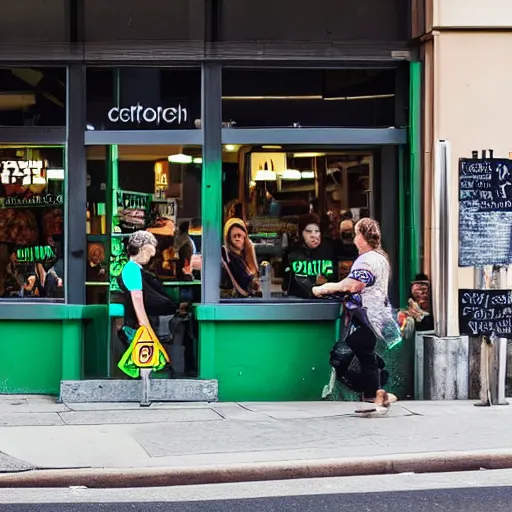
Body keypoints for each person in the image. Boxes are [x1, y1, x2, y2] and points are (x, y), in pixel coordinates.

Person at [312, 218, 399, 405]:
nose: (353, 239)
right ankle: (376, 390)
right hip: (377, 316)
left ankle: (373, 393)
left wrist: (324, 288)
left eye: (356, 234)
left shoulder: (367, 260)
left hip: (368, 316)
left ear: (362, 236)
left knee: (354, 353)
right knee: (364, 352)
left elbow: (353, 285)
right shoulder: (380, 257)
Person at [117, 230, 176, 344]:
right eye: (149, 254)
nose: (150, 258)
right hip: (137, 328)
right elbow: (137, 299)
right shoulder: (132, 270)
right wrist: (146, 329)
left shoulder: (133, 269)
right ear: (143, 250)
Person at [282, 213, 338, 298]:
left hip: (325, 300)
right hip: (301, 301)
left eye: (316, 231)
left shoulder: (330, 248)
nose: (313, 235)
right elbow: (286, 284)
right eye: (309, 231)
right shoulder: (292, 252)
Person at [220, 217, 260, 298]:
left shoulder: (241, 255)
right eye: (234, 236)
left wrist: (250, 249)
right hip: (233, 299)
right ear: (229, 238)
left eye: (239, 236)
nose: (237, 238)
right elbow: (246, 280)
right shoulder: (230, 256)